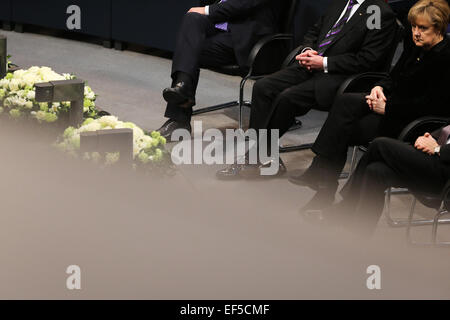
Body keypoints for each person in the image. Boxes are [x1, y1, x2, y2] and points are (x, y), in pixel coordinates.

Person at [289, 0, 450, 210]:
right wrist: (379, 88)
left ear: (438, 29)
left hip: (414, 123)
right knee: (346, 104)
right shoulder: (414, 46)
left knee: (342, 130)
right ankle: (324, 181)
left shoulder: (445, 58)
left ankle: (326, 185)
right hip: (392, 108)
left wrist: (389, 108)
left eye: (423, 28)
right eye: (413, 27)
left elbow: (432, 107)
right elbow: (393, 77)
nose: (416, 33)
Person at [217, 0, 397, 179]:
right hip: (312, 65)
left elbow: (368, 60)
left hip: (340, 76)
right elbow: (314, 31)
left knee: (288, 97)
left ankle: (254, 157)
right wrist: (309, 49)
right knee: (263, 87)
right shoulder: (341, 3)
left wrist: (324, 63)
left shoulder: (379, 13)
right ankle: (267, 157)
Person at [156, 0, 281, 140]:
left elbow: (244, 3)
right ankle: (182, 87)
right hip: (223, 27)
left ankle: (180, 114)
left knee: (189, 50)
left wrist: (208, 10)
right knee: (192, 21)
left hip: (247, 38)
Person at [310, 124, 450, 235]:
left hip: (445, 176)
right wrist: (429, 138)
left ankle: (346, 208)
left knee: (379, 145)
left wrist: (438, 149)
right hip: (436, 159)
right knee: (375, 171)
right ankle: (359, 235)